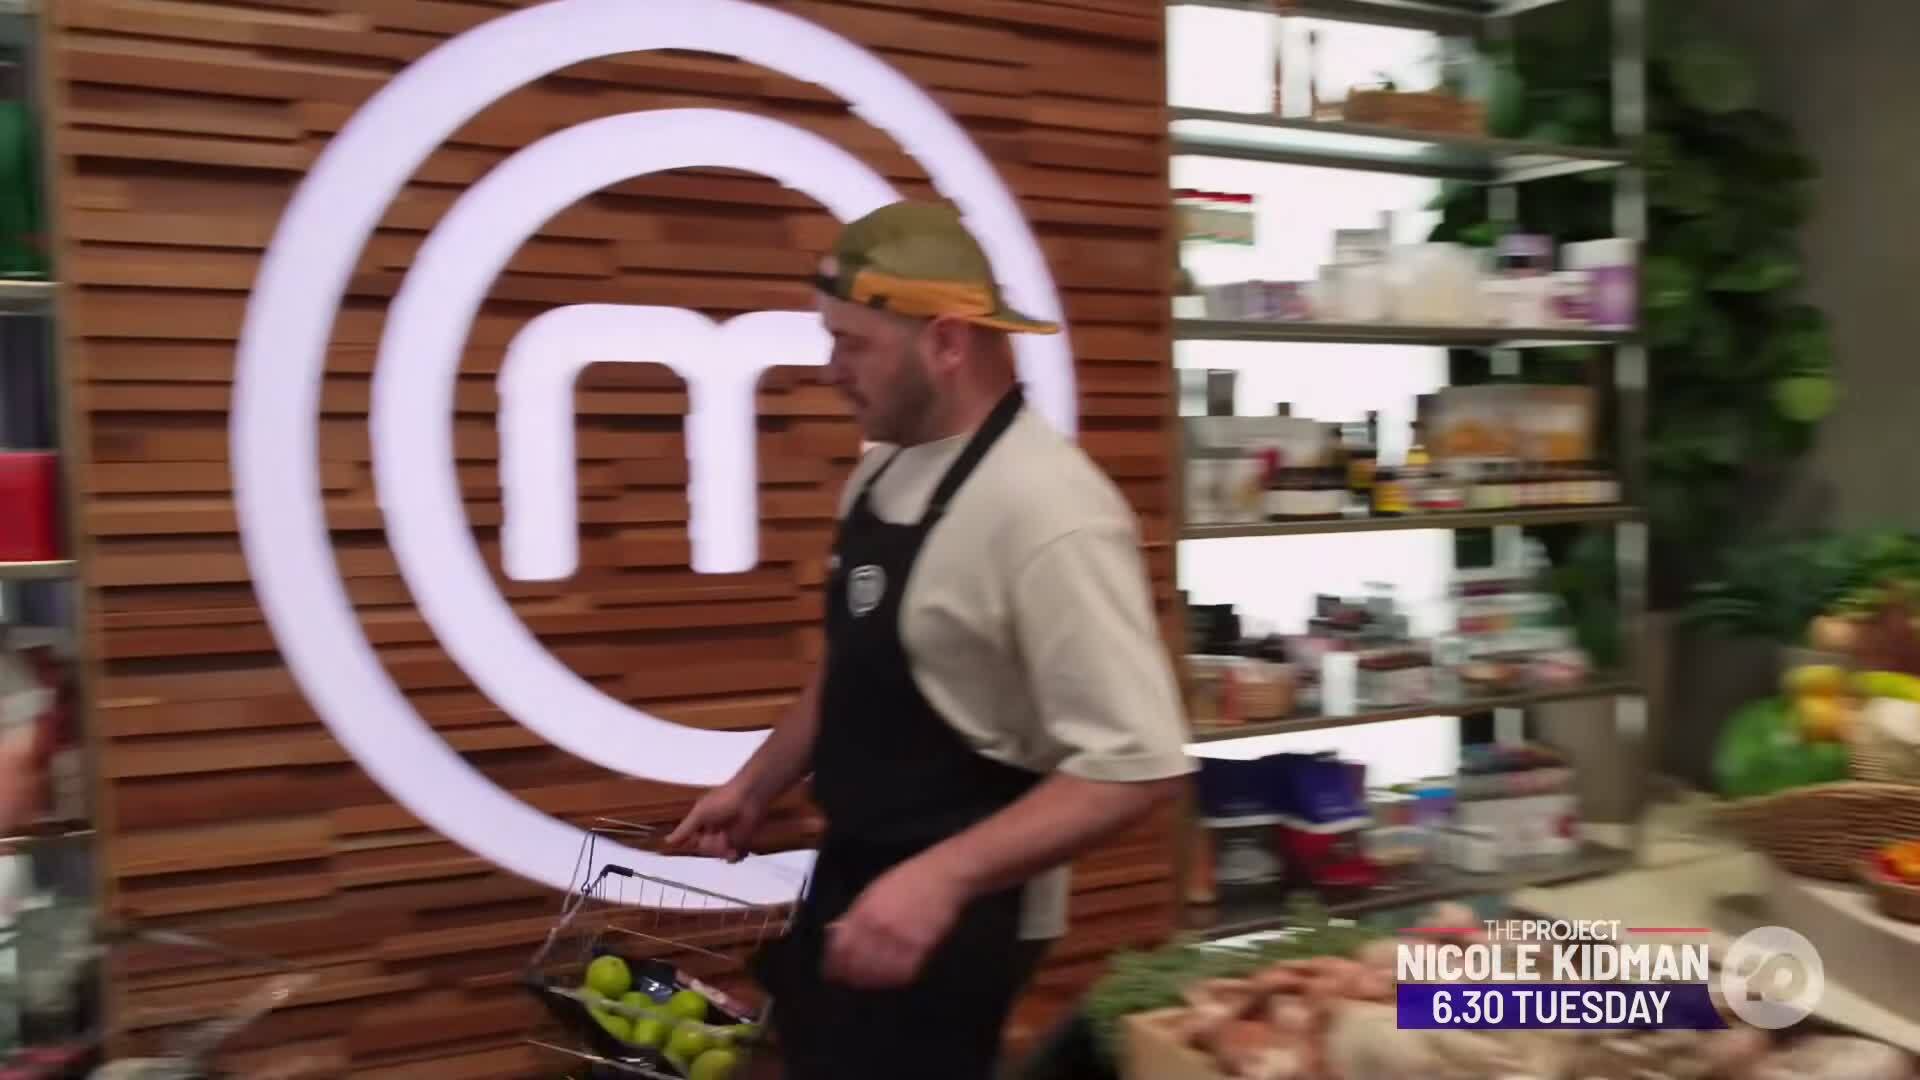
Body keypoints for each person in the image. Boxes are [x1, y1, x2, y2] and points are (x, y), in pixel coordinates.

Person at [665, 200, 1192, 1080]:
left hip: (960, 918)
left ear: (946, 342)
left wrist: (940, 879)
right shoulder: (882, 472)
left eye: (852, 344)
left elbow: (1135, 765)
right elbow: (863, 659)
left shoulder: (1050, 510)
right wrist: (758, 781)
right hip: (861, 875)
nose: (831, 370)